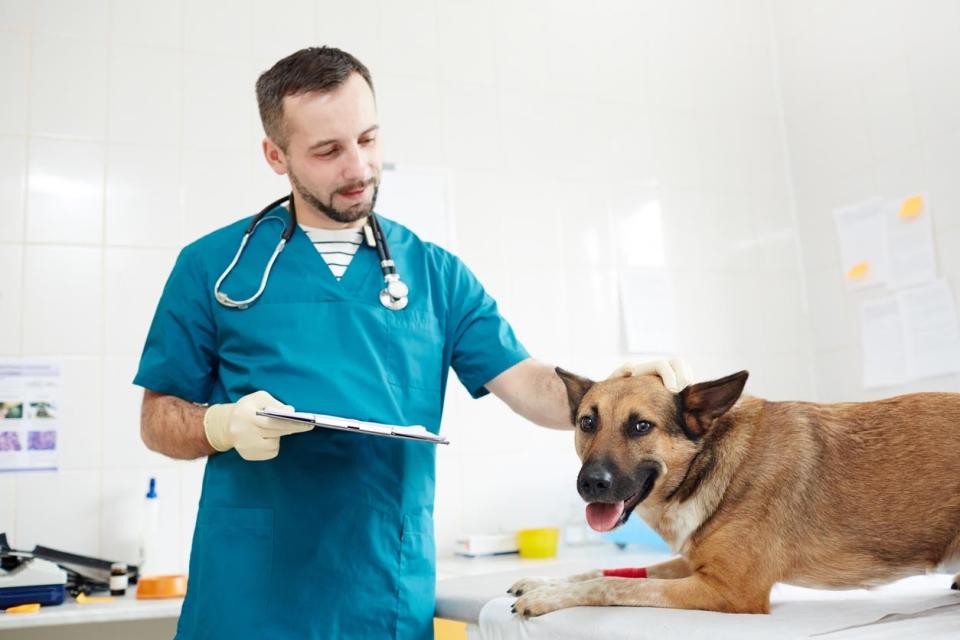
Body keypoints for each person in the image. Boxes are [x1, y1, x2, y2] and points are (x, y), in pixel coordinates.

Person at [135, 46, 689, 639]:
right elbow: (157, 418)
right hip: (250, 595)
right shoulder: (214, 268)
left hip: (381, 591)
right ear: (276, 155)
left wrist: (619, 394)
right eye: (327, 150)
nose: (358, 167)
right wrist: (220, 427)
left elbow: (526, 382)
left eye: (368, 140)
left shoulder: (436, 275)